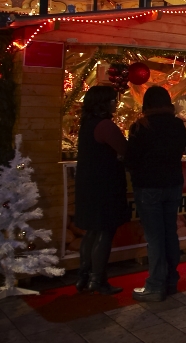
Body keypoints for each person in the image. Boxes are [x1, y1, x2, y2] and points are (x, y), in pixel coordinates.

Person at [125, 86, 186, 302]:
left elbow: (130, 159)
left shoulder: (141, 126)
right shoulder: (177, 125)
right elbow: (183, 149)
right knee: (170, 232)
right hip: (172, 184)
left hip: (149, 186)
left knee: (155, 237)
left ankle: (155, 284)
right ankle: (171, 280)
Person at [74, 86, 128, 295]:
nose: (116, 103)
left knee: (92, 231)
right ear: (103, 103)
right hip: (104, 185)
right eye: (113, 100)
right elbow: (124, 149)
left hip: (88, 184)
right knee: (105, 230)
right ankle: (98, 279)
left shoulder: (87, 124)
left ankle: (83, 276)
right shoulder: (105, 125)